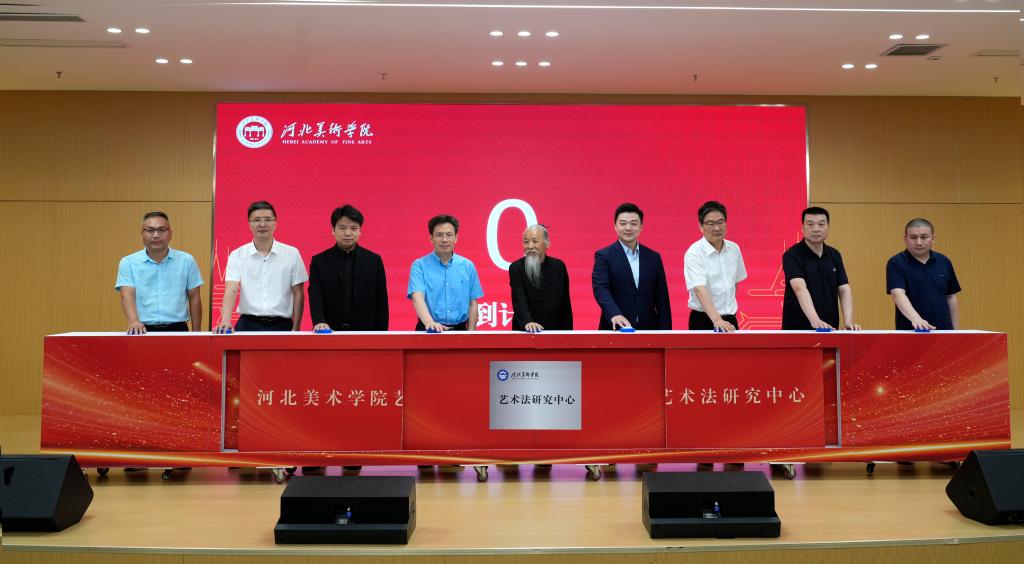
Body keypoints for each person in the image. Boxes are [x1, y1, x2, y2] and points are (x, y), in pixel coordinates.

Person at [215, 201, 308, 333]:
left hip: (282, 325)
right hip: (247, 324)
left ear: (275, 223)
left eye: (268, 219)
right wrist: (225, 320)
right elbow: (231, 288)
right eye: (257, 220)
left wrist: (296, 327)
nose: (262, 224)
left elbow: (298, 292)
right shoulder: (237, 254)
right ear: (249, 224)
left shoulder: (292, 253)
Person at [116, 211, 203, 334]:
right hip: (141, 330)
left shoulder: (187, 260)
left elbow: (194, 297)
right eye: (150, 230)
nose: (156, 235)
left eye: (162, 230)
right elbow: (127, 295)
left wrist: (196, 334)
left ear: (170, 234)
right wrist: (134, 322)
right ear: (142, 234)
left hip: (178, 330)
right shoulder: (128, 262)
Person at [308, 205, 389, 332]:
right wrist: (319, 321)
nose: (348, 233)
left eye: (353, 228)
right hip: (329, 331)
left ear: (360, 231)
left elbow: (381, 302)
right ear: (333, 230)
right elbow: (315, 296)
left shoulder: (374, 261)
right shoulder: (319, 261)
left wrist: (381, 334)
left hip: (366, 332)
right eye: (342, 228)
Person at [592, 202, 671, 330]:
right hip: (615, 327)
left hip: (649, 329)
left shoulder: (653, 257)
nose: (628, 228)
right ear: (615, 226)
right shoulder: (604, 256)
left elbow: (662, 299)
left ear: (641, 227)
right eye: (623, 223)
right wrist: (614, 314)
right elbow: (600, 288)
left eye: (634, 223)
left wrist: (666, 332)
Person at [781, 206, 861, 331]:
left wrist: (848, 322)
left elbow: (844, 289)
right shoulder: (792, 255)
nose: (816, 229)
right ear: (802, 228)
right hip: (797, 329)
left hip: (829, 328)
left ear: (828, 227)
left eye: (821, 224)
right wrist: (815, 320)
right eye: (810, 224)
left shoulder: (834, 255)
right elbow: (799, 288)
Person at [407, 214, 483, 331]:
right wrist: (430, 323)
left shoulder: (467, 266)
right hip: (429, 329)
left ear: (456, 237)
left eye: (449, 235)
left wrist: (471, 333)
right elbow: (417, 297)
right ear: (431, 238)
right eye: (439, 235)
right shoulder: (419, 265)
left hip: (459, 329)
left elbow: (472, 303)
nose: (444, 240)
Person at [886, 218, 961, 330]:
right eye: (913, 237)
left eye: (924, 237)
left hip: (944, 331)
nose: (919, 242)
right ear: (905, 239)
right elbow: (898, 295)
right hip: (912, 331)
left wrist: (955, 331)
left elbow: (951, 297)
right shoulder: (896, 263)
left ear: (933, 238)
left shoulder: (944, 261)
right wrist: (917, 319)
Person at [684, 201, 747, 332]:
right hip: (703, 320)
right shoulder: (694, 252)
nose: (717, 228)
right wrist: (717, 319)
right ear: (700, 226)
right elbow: (699, 289)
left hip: (730, 319)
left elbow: (734, 283)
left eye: (720, 222)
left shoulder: (734, 249)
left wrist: (726, 312)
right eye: (711, 224)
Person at [508, 225, 573, 332]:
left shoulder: (558, 267)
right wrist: (527, 321)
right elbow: (519, 299)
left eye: (535, 241)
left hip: (555, 330)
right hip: (525, 329)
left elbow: (565, 303)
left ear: (547, 243)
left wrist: (568, 333)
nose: (530, 246)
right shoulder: (516, 268)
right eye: (526, 242)